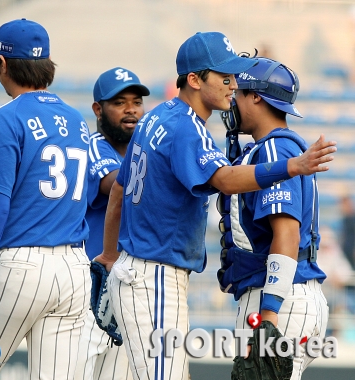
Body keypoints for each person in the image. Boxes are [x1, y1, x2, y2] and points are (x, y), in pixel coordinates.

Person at [93, 31, 336, 380]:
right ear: (194, 79)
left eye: (236, 79)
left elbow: (118, 191)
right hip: (155, 274)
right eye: (225, 77)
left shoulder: (155, 118)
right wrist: (293, 166)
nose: (233, 86)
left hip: (150, 272)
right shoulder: (188, 128)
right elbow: (223, 179)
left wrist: (110, 256)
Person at [0, 18, 91, 379]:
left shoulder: (4, 117)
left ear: (3, 64)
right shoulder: (77, 119)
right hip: (74, 269)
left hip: (22, 265)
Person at [217, 57, 329, 378]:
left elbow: (286, 234)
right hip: (294, 295)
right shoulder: (280, 149)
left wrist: (268, 315)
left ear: (256, 97)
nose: (231, 100)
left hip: (279, 300)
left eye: (237, 92)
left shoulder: (273, 150)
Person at [75, 67, 150, 380]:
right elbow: (118, 185)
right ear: (98, 109)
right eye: (120, 102)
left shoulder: (143, 150)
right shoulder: (94, 147)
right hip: (91, 287)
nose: (131, 109)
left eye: (136, 101)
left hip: (126, 286)